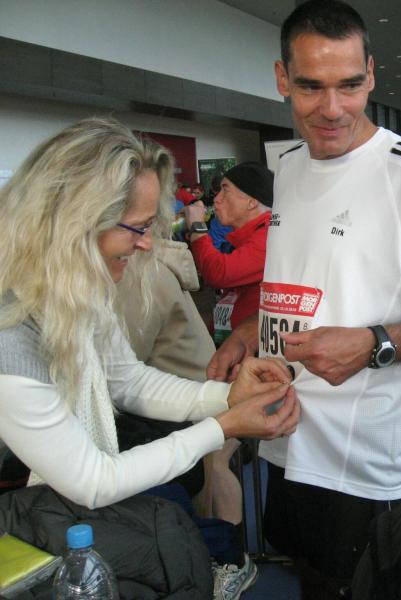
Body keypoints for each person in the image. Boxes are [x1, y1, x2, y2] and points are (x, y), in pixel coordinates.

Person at [208, 1, 401, 595]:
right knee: (310, 580)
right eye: (310, 86)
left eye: (349, 85)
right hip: (286, 436)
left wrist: (373, 344)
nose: (332, 108)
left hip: (368, 465)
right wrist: (245, 334)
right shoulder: (288, 168)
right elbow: (309, 286)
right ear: (282, 78)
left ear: (370, 74)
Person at [0, 117, 300, 591]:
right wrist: (222, 426)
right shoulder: (10, 330)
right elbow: (93, 481)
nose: (145, 244)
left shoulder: (77, 292)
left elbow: (128, 380)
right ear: (77, 222)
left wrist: (227, 397)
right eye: (137, 228)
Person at [116, 240, 254, 598]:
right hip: (201, 396)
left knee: (204, 475)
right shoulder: (149, 266)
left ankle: (225, 561)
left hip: (191, 407)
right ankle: (226, 558)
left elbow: (123, 368)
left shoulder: (140, 276)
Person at [184, 162, 272, 346]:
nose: (216, 199)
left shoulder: (269, 235)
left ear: (252, 201)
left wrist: (198, 228)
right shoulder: (251, 236)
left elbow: (219, 273)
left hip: (253, 352)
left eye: (225, 190)